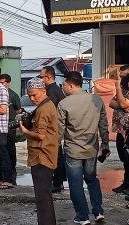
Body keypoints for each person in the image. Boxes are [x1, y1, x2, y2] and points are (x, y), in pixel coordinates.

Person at [58, 71, 109, 224]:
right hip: (92, 148)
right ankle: (98, 211)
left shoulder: (64, 103)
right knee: (92, 179)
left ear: (71, 85)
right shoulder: (96, 99)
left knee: (76, 183)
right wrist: (105, 144)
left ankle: (82, 216)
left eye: (64, 85)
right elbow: (103, 125)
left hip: (73, 149)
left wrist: (53, 149)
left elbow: (59, 130)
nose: (63, 88)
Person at [19, 77, 58, 225]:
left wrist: (25, 131)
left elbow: (41, 135)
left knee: (42, 197)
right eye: (29, 95)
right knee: (44, 195)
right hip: (45, 155)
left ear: (43, 91)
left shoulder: (43, 108)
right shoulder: (46, 105)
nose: (32, 98)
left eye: (34, 94)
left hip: (42, 156)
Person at [39, 66, 66, 193]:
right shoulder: (54, 90)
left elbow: (50, 110)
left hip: (54, 128)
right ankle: (58, 182)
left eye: (41, 77)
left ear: (49, 77)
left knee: (55, 156)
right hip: (55, 127)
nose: (41, 80)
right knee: (56, 155)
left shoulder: (52, 91)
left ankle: (57, 182)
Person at [109, 65, 129, 194]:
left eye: (124, 76)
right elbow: (112, 103)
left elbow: (122, 104)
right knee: (124, 160)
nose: (121, 79)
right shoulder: (124, 90)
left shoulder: (121, 89)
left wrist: (117, 88)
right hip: (120, 130)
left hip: (127, 132)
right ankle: (125, 184)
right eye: (120, 76)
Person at [0, 73, 21, 184]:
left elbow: (18, 110)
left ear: (8, 83)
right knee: (1, 150)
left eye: (2, 82)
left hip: (10, 125)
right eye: (0, 82)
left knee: (10, 149)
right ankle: (3, 172)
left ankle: (12, 170)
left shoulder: (13, 95)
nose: (1, 84)